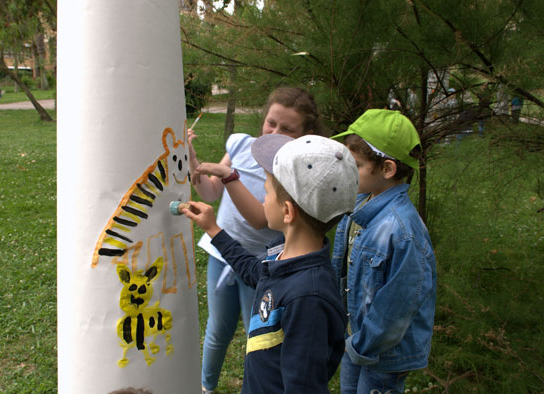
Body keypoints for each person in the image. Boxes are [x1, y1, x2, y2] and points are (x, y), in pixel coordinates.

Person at [183, 133, 359, 394]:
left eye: (265, 192)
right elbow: (257, 274)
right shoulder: (287, 258)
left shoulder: (308, 299)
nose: (263, 199)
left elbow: (304, 387)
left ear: (287, 211)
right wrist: (214, 230)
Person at [187, 87, 326, 394]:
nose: (274, 132)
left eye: (287, 129)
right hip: (222, 254)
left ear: (306, 134)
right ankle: (205, 388)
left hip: (263, 266)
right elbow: (210, 193)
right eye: (271, 123)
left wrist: (228, 175)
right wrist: (193, 158)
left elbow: (261, 219)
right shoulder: (239, 144)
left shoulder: (293, 170)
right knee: (218, 328)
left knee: (259, 337)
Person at [330, 109, 437, 394]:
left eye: (357, 164)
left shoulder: (402, 232)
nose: (348, 171)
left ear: (387, 169)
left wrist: (361, 345)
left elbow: (396, 308)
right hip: (356, 341)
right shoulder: (360, 204)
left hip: (382, 355)